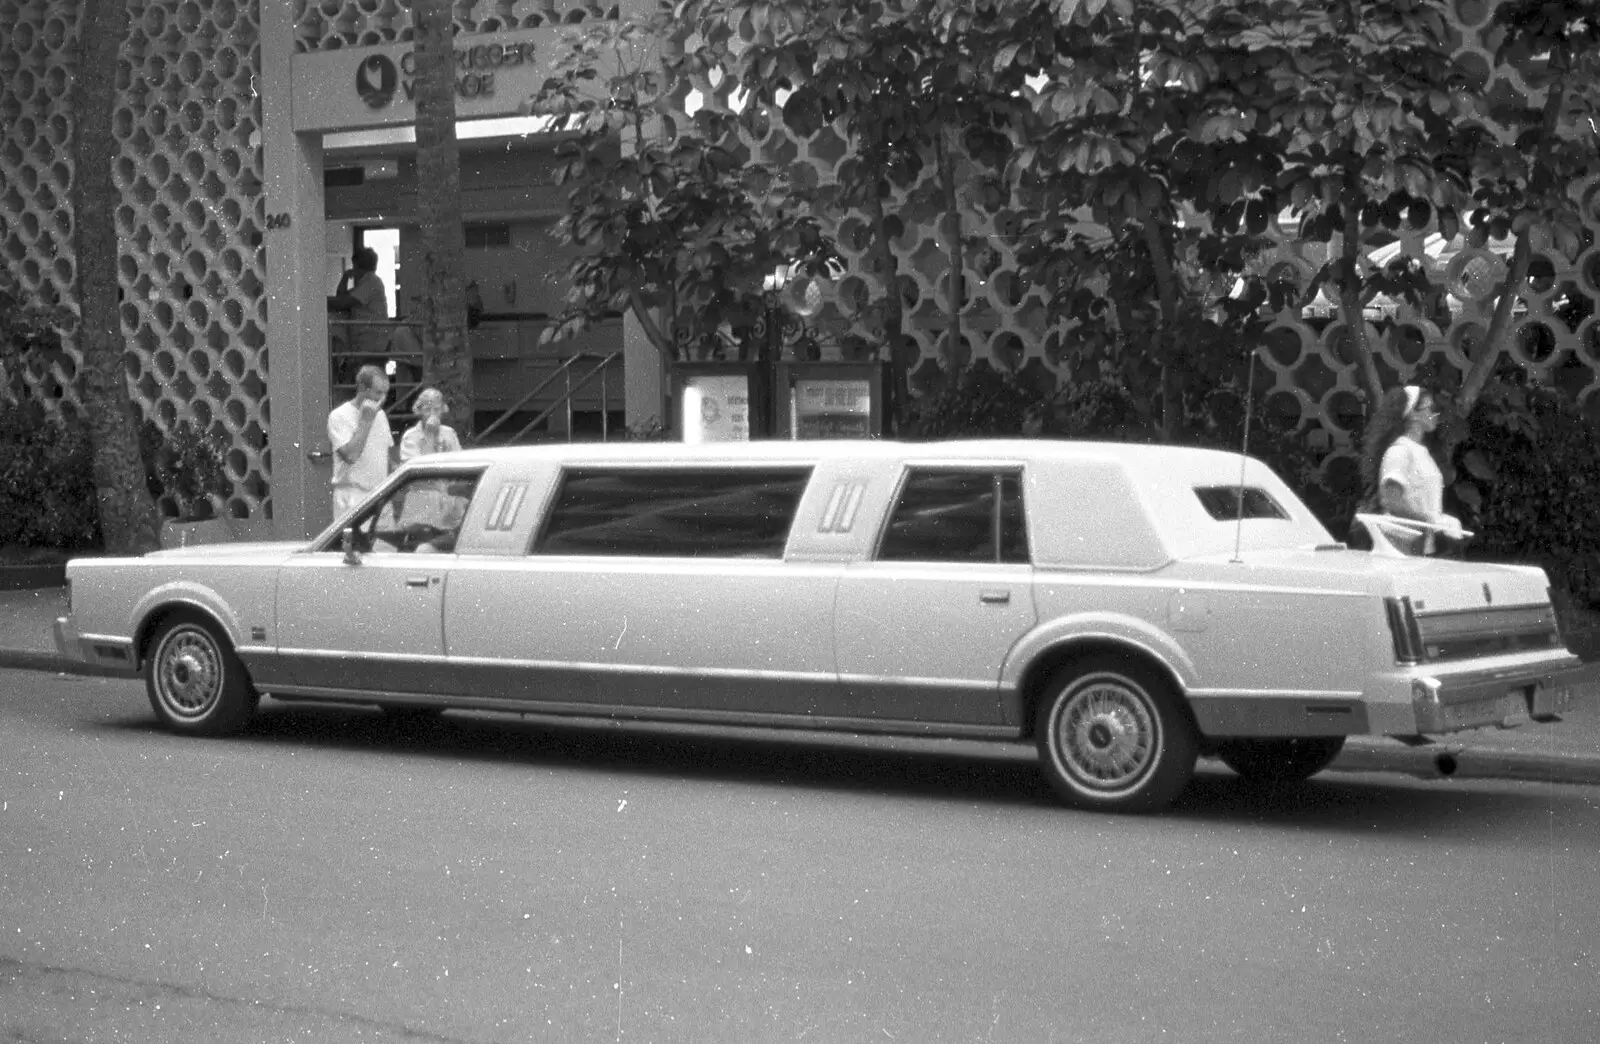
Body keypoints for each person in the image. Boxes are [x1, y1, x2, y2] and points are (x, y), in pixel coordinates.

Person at [1361, 384, 1464, 555]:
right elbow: (1391, 500)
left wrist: (1438, 520)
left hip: (1420, 545)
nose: (1435, 413)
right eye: (1430, 408)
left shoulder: (1421, 452)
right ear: (1413, 414)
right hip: (1399, 547)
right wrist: (1433, 520)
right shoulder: (1400, 451)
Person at [327, 364, 393, 517]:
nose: (382, 399)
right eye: (378, 393)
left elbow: (385, 456)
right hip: (352, 497)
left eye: (385, 394)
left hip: (380, 495)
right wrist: (366, 421)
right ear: (363, 388)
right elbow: (351, 456)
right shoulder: (339, 416)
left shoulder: (381, 415)